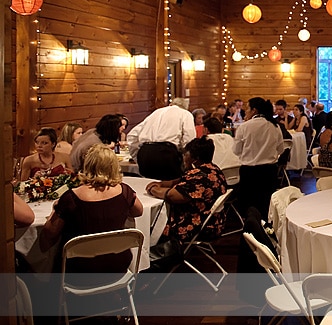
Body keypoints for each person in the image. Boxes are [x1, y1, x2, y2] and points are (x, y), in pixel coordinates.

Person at [41, 144, 144, 274]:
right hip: (117, 264)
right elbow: (138, 212)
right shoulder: (124, 191)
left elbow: (50, 232)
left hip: (80, 268)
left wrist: (55, 210)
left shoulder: (71, 198)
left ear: (87, 165)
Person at [146, 137, 228, 243]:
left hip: (198, 225)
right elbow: (181, 181)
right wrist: (161, 183)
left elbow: (172, 196)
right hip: (215, 221)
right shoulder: (213, 169)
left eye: (186, 154)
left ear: (195, 158)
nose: (184, 157)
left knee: (152, 223)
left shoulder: (198, 177)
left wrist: (153, 189)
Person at [233, 98, 285, 216]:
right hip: (269, 171)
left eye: (247, 108)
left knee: (249, 206)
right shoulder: (275, 126)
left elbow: (236, 150)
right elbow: (280, 149)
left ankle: (251, 229)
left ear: (254, 110)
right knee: (266, 205)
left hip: (249, 172)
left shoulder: (245, 127)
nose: (245, 111)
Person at [127, 97, 195, 180]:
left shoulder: (156, 112)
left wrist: (137, 156)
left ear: (171, 104)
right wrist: (184, 158)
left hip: (145, 152)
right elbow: (189, 140)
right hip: (166, 154)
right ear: (186, 108)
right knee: (168, 186)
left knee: (147, 185)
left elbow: (132, 135)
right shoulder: (185, 114)